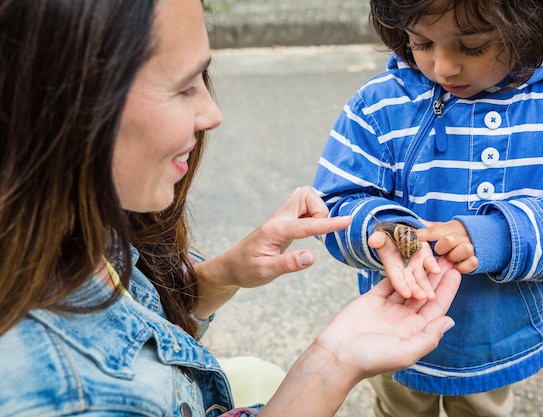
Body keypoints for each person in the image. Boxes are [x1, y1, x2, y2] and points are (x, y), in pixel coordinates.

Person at [0, 0, 463, 416]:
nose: (212, 114)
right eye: (183, 87)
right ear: (68, 107)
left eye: (204, 79)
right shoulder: (61, 393)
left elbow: (143, 324)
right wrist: (331, 366)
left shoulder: (80, 227)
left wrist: (223, 273)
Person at [312, 0, 543, 416]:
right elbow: (334, 201)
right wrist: (389, 233)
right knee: (398, 408)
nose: (443, 67)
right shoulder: (379, 106)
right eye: (421, 42)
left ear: (529, 27)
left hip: (498, 335)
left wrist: (498, 236)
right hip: (392, 328)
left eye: (473, 47)